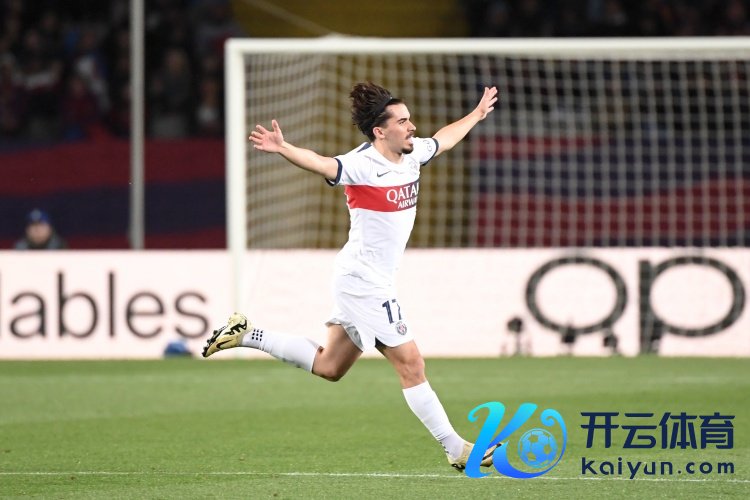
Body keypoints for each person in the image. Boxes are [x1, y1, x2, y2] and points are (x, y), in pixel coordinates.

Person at [203, 82, 499, 471]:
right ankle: (455, 447)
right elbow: (322, 163)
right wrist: (284, 148)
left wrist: (476, 114)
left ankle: (247, 334)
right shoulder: (361, 164)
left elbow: (444, 139)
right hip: (363, 282)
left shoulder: (412, 154)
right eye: (403, 121)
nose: (412, 127)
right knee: (411, 363)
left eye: (409, 119)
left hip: (365, 279)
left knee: (330, 366)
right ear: (380, 131)